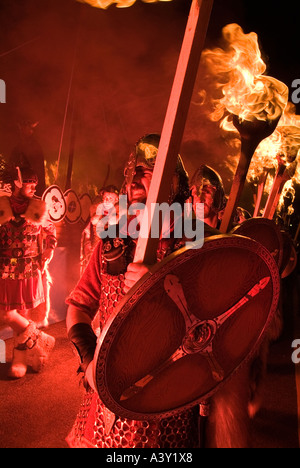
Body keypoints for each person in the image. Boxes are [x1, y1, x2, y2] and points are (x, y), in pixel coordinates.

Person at [65, 134, 202, 449]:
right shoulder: (112, 240)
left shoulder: (195, 246)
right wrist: (89, 364)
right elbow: (79, 307)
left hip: (168, 403)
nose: (137, 178)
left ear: (174, 181)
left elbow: (209, 329)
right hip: (105, 398)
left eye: (149, 170)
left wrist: (161, 285)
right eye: (134, 171)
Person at [0, 163, 56, 379]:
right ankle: (40, 341)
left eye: (35, 182)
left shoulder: (38, 208)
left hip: (30, 270)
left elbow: (51, 231)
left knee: (22, 314)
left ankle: (20, 359)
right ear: (16, 182)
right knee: (7, 314)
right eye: (29, 182)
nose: (33, 186)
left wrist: (50, 248)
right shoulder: (2, 206)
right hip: (5, 269)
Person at [80, 185, 119, 276]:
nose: (107, 200)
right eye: (106, 197)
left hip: (112, 239)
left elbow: (115, 221)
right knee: (95, 258)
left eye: (111, 198)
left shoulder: (119, 209)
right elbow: (93, 221)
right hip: (97, 239)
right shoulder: (96, 207)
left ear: (116, 200)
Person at [9, 120, 46, 197]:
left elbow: (38, 171)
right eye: (21, 128)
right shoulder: (17, 148)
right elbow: (11, 164)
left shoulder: (35, 147)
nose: (22, 131)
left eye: (24, 128)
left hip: (31, 187)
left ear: (31, 131)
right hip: (17, 187)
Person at [190, 164, 226, 229]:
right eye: (195, 194)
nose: (199, 200)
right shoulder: (184, 235)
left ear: (217, 197)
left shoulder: (229, 234)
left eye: (206, 192)